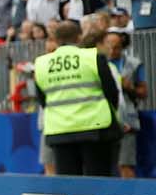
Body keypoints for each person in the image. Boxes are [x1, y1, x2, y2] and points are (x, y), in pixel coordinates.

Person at [33, 19, 121, 178]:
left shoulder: (41, 64)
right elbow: (112, 92)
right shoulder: (93, 57)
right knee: (98, 182)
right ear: (79, 37)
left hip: (60, 132)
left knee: (70, 186)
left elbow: (43, 100)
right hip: (96, 129)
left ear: (56, 39)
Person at [102, 28, 144, 178]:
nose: (112, 51)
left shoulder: (134, 64)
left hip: (127, 121)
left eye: (117, 47)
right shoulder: (97, 63)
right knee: (102, 166)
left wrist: (130, 87)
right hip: (102, 121)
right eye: (109, 46)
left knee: (125, 164)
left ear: (123, 46)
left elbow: (143, 93)